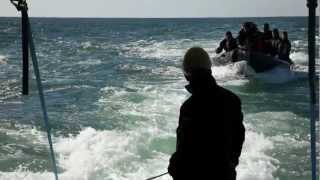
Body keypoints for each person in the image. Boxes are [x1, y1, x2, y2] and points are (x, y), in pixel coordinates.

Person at [168, 47, 245, 180]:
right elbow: (238, 139)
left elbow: (184, 153)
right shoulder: (232, 100)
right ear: (209, 69)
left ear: (187, 74)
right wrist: (229, 165)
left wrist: (173, 166)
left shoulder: (189, 107)